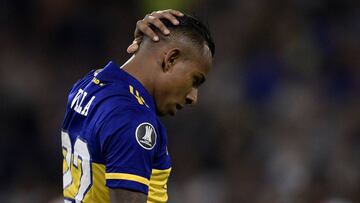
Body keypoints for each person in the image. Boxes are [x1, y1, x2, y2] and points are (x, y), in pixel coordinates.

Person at [61, 9, 215, 203]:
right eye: (195, 80)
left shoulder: (88, 84)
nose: (193, 97)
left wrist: (146, 47)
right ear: (171, 59)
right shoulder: (134, 119)